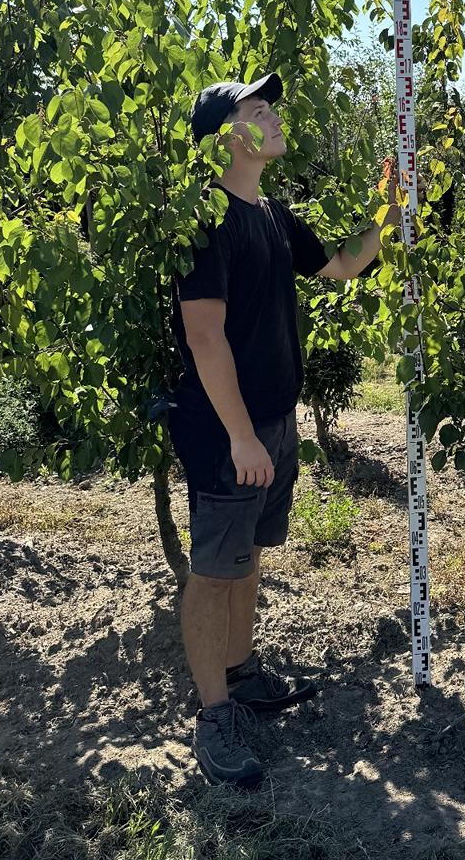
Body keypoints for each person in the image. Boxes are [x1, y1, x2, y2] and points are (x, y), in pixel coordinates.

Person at [169, 69, 401, 786]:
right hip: (224, 431)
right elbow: (204, 337)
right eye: (256, 109)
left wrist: (392, 211)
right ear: (222, 138)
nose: (271, 117)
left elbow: (340, 268)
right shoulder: (207, 217)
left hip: (271, 422)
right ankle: (214, 720)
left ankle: (241, 675)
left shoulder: (269, 213)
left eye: (269, 106)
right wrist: (238, 435)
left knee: (249, 557)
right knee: (212, 574)